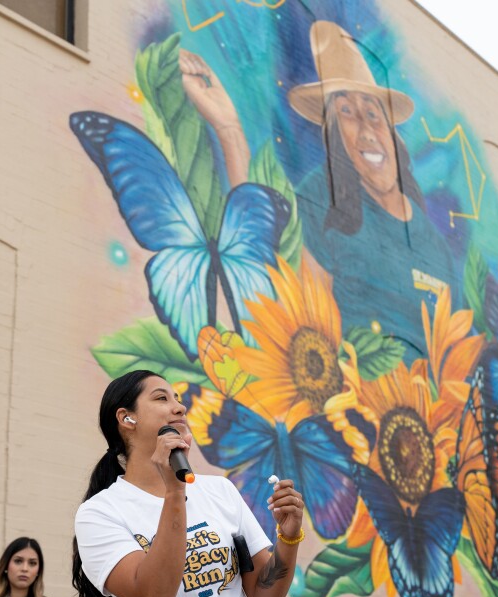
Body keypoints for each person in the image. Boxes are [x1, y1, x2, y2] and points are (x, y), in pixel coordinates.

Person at [180, 21, 462, 354]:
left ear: (392, 132)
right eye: (346, 112)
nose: (365, 129)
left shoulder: (435, 247)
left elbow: (453, 357)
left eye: (373, 114)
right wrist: (229, 130)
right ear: (334, 136)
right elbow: (273, 255)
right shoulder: (321, 203)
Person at [72, 370, 305, 597]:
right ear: (126, 418)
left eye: (179, 399)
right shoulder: (100, 512)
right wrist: (174, 492)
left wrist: (289, 536)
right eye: (161, 398)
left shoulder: (221, 491)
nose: (180, 407)